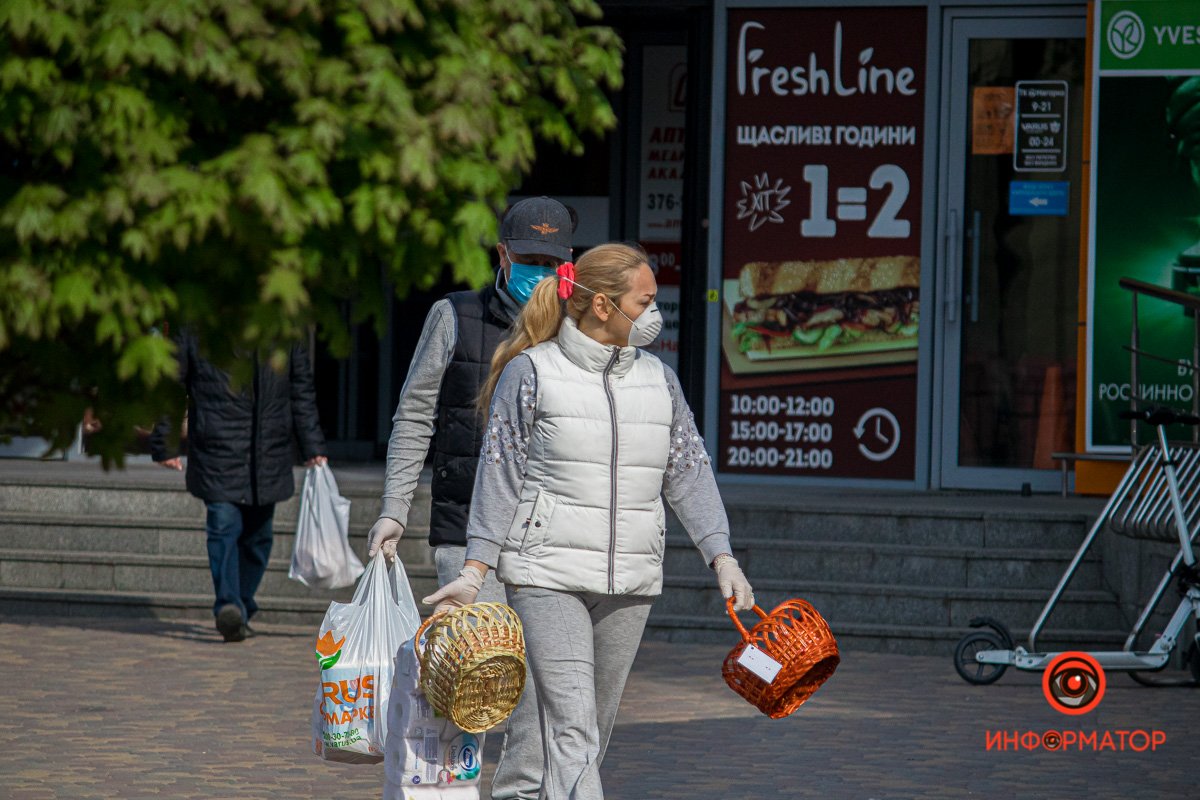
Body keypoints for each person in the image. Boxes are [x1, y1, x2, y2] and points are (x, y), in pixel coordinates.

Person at [424, 242, 755, 800]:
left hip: (630, 582)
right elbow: (498, 476)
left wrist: (721, 555)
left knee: (587, 735)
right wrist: (476, 569)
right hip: (545, 576)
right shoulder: (532, 372)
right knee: (573, 730)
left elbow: (689, 471)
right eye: (645, 301)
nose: (655, 314)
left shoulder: (659, 380)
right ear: (603, 305)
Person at [367, 197, 574, 800]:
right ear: (502, 256)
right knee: (466, 681)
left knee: (541, 694)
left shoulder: (581, 326)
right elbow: (414, 415)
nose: (540, 270)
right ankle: (448, 792)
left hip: (549, 539)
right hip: (464, 531)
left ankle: (516, 794)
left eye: (552, 260)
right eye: (529, 257)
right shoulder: (454, 316)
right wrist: (393, 509)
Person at [150, 335, 327, 643]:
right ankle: (228, 605)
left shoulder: (283, 323)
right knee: (223, 524)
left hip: (268, 450)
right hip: (217, 444)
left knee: (259, 537)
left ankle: (240, 607)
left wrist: (312, 444)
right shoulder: (200, 319)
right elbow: (173, 385)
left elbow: (301, 390)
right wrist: (165, 442)